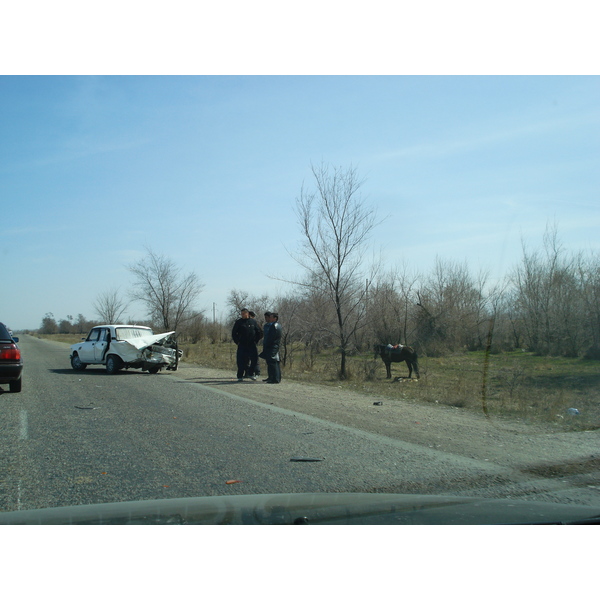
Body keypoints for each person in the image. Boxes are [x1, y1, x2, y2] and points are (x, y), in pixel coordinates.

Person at [231, 308, 263, 381]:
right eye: (241, 314)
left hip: (252, 344)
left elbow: (259, 332)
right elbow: (234, 333)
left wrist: (256, 341)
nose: (242, 315)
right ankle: (240, 375)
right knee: (241, 360)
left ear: (247, 314)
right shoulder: (239, 322)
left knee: (254, 359)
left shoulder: (253, 322)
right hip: (242, 344)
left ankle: (251, 373)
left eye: (244, 314)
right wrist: (237, 342)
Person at [260, 311, 282, 384]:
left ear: (275, 318)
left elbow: (272, 337)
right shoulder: (273, 325)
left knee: (273, 361)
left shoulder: (275, 326)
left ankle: (275, 378)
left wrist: (269, 344)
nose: (269, 318)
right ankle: (271, 377)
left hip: (272, 345)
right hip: (270, 345)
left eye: (271, 317)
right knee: (270, 362)